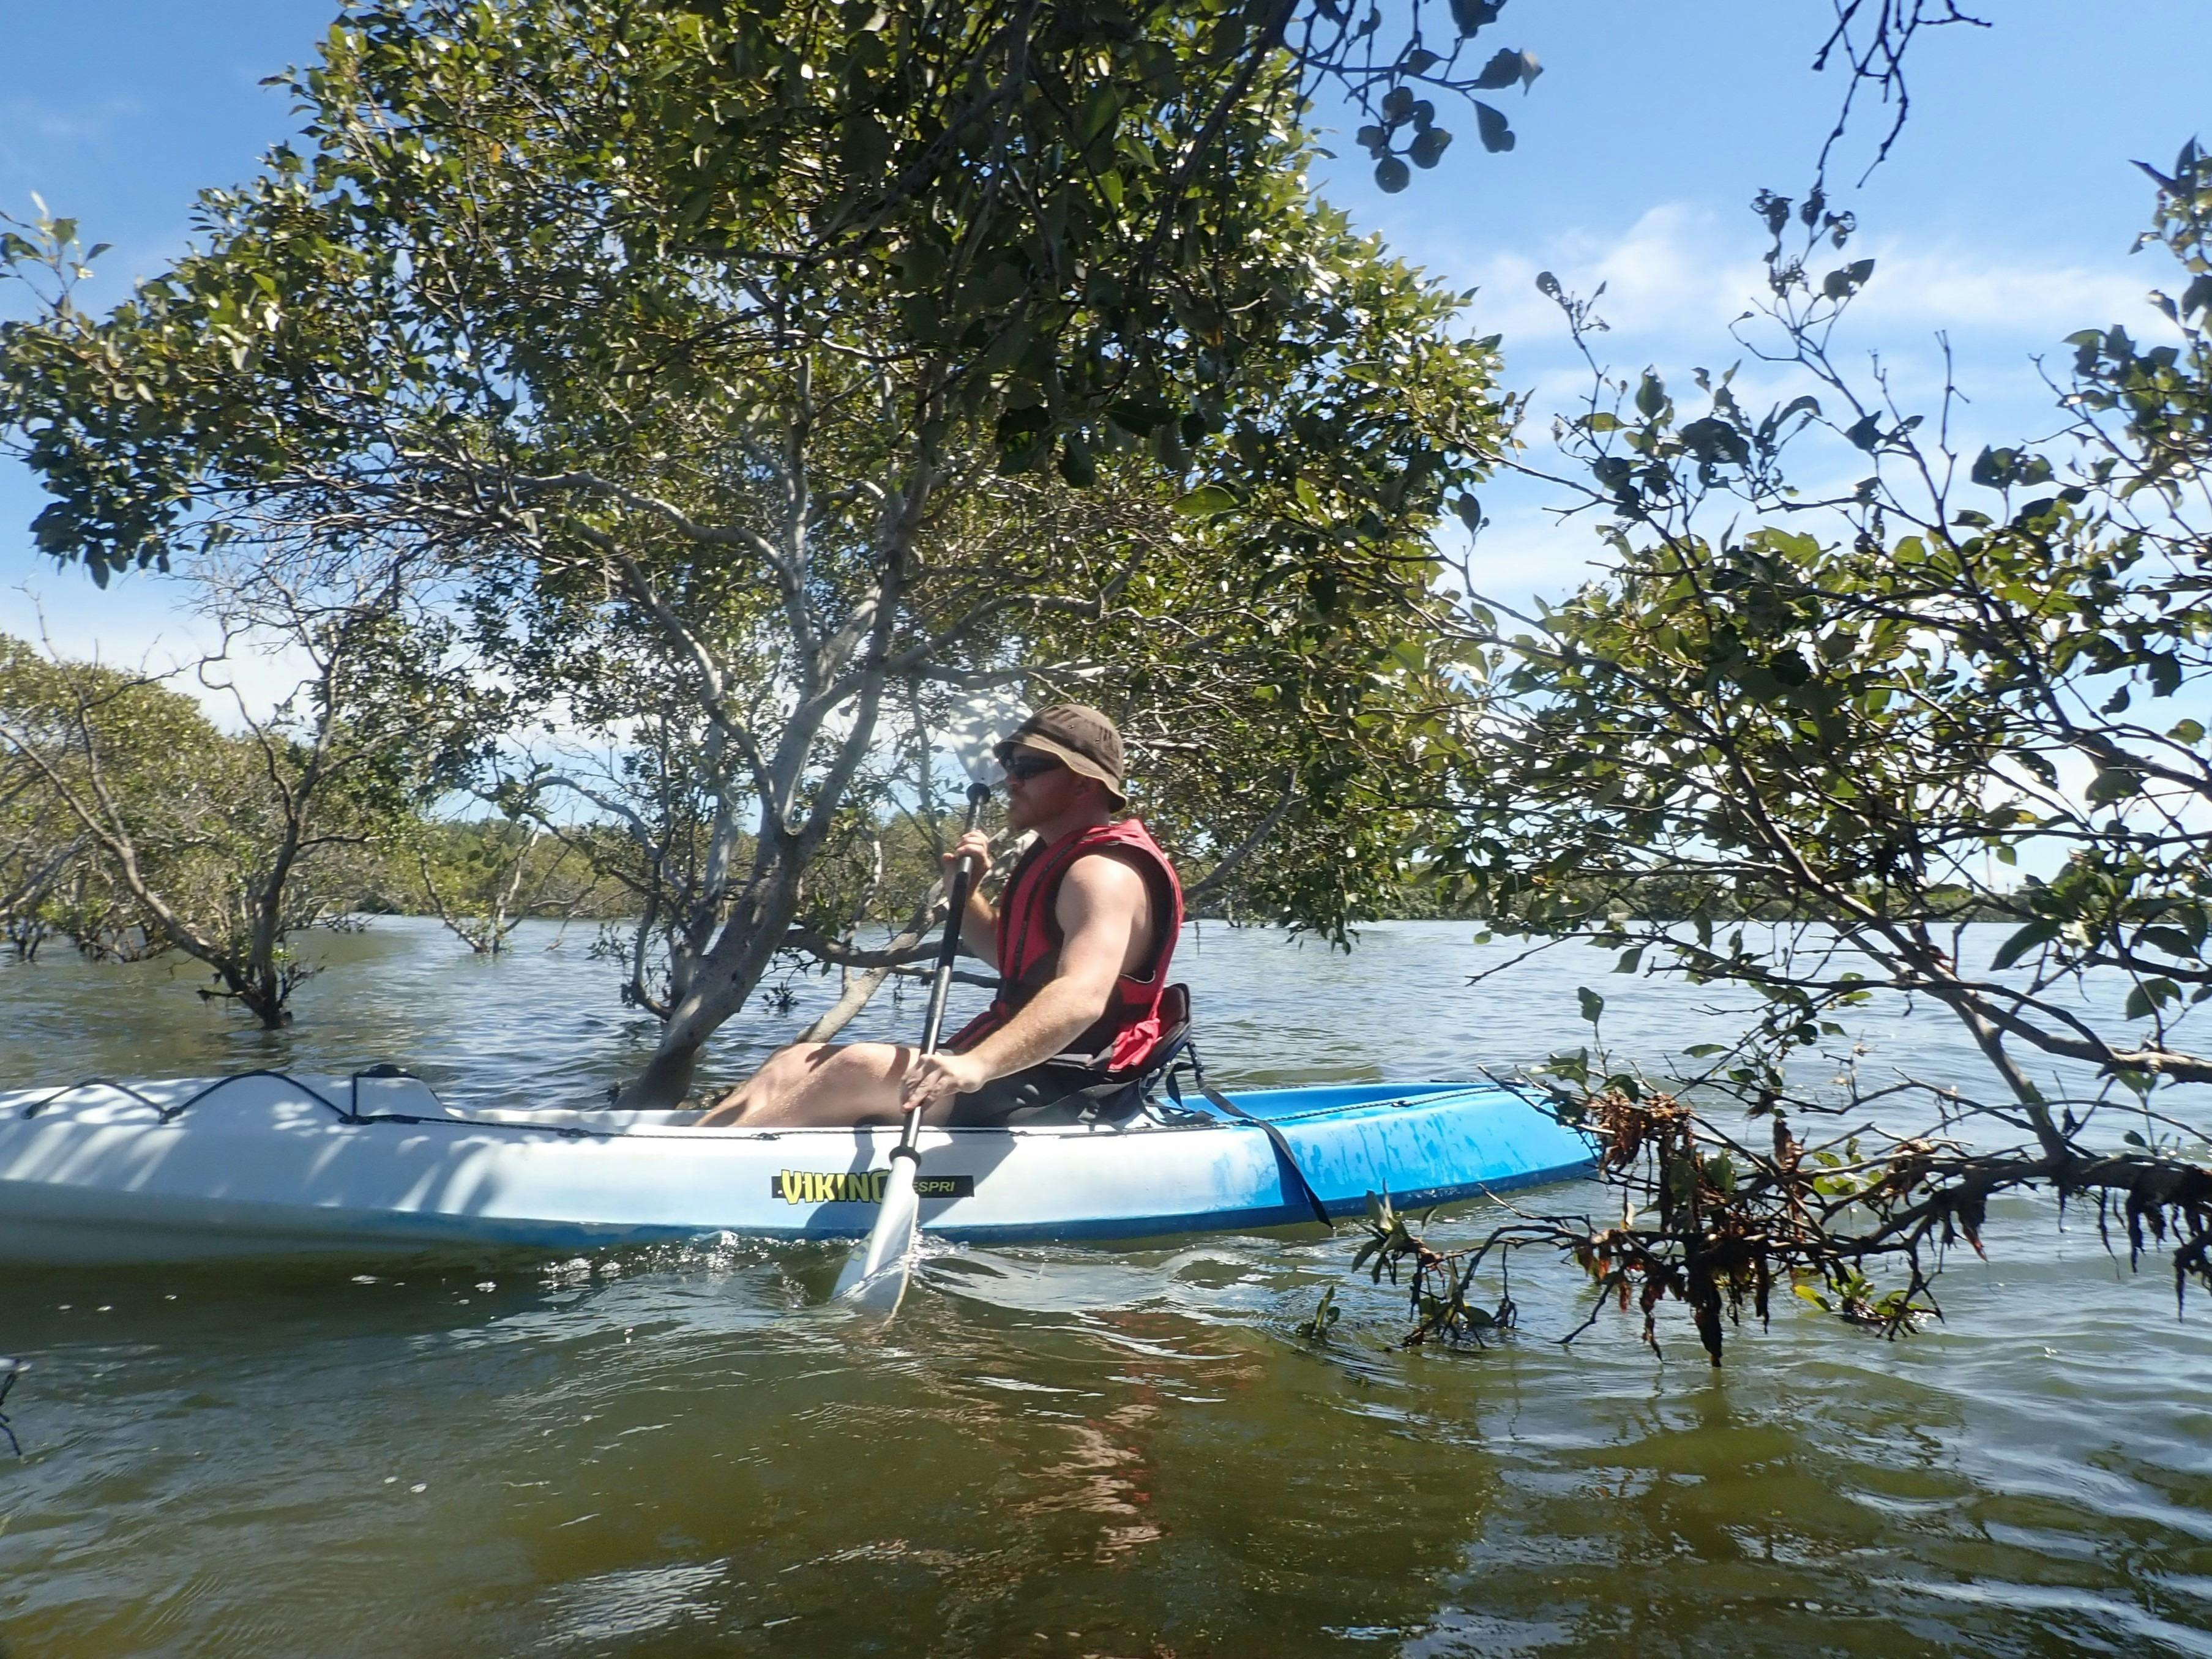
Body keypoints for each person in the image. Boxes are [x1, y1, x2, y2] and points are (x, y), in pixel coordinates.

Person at [698, 704, 1185, 1128]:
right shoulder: (1058, 857)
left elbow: (1081, 996)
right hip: (1022, 1068)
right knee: (795, 1060)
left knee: (859, 1066)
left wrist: (977, 1064)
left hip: (1070, 1079)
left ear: (1083, 784)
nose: (1010, 779)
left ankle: (702, 1177)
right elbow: (1011, 959)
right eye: (1010, 764)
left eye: (1030, 767)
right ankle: (688, 1153)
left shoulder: (1102, 872)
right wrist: (965, 893)